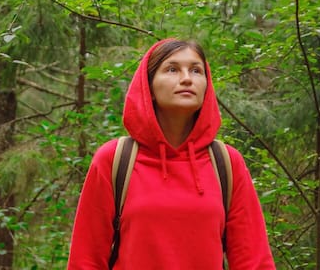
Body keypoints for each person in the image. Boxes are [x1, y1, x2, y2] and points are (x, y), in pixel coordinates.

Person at [67, 39, 276, 269]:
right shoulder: (115, 160)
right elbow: (85, 260)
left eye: (196, 70)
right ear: (149, 87)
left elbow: (254, 261)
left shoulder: (226, 163)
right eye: (172, 69)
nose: (186, 78)